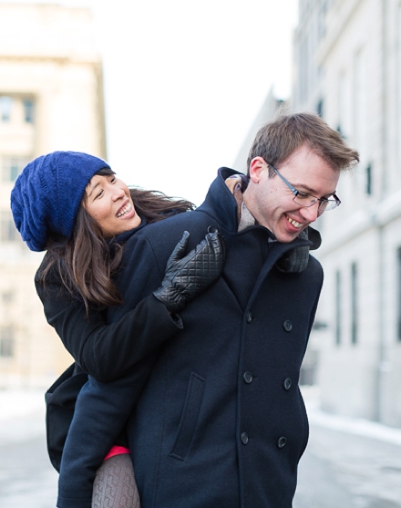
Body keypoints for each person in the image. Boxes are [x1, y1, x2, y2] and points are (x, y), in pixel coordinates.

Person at [57, 112, 360, 508]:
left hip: (269, 489)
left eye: (325, 200)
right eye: (301, 193)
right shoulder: (165, 246)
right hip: (180, 490)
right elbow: (107, 391)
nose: (311, 214)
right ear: (258, 169)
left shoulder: (306, 276)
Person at [10, 151, 226, 508]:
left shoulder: (163, 218)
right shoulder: (57, 277)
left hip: (175, 395)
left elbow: (226, 231)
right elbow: (99, 357)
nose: (118, 192)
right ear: (74, 222)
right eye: (98, 193)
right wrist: (168, 297)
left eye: (111, 178)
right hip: (111, 422)